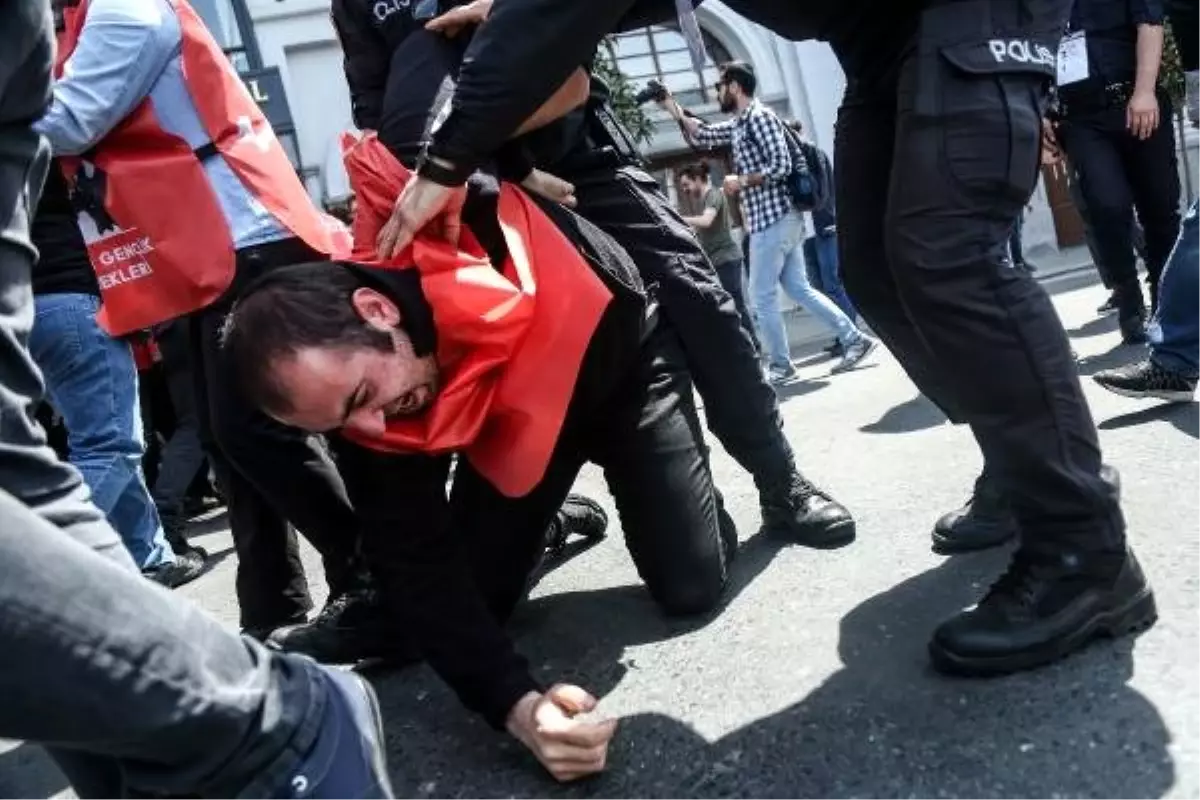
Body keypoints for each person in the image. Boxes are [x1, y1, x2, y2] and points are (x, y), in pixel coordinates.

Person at [384, 0, 1156, 679]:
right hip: (882, 30)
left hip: (969, 11)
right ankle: (1022, 469)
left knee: (949, 254)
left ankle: (1082, 548)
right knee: (877, 270)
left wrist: (449, 158)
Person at [222, 137, 737, 782]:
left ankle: (681, 483)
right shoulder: (360, 402)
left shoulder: (478, 223)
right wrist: (520, 710)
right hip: (517, 439)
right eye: (340, 425)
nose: (372, 426)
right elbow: (414, 562)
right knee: (476, 606)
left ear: (377, 309)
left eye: (361, 397)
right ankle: (545, 520)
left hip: (622, 373)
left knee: (691, 584)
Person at [0, 2, 394, 796]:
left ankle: (373, 580)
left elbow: (70, 121)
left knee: (257, 429)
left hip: (237, 227)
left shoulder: (123, 8)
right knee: (225, 437)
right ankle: (270, 611)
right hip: (189, 241)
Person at [335, 0, 860, 560]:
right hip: (458, 181)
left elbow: (569, 54)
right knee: (411, 340)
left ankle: (779, 480)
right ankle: (395, 572)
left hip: (579, 154)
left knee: (699, 296)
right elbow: (377, 109)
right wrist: (500, 170)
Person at [28, 159, 207, 586]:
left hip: (14, 311)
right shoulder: (32, 115)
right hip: (65, 295)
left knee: (97, 439)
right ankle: (36, 558)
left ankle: (151, 555)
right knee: (109, 445)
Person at [662, 61, 879, 383]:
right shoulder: (740, 123)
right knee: (798, 288)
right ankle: (854, 339)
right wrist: (671, 106)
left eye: (719, 85)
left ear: (734, 86)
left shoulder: (760, 118)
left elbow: (781, 165)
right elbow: (704, 133)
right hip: (776, 221)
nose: (716, 91)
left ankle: (780, 365)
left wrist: (741, 181)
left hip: (774, 219)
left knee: (761, 295)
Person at [1049, 0, 1181, 342]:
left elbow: (1150, 23)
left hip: (1139, 101)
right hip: (1081, 117)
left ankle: (1165, 302)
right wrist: (1040, 113)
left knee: (1161, 208)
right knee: (1105, 204)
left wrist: (1144, 91)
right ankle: (1128, 299)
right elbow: (1027, 51)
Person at [677, 161, 758, 348]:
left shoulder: (713, 195)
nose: (684, 190)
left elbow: (706, 221)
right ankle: (747, 344)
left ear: (698, 179)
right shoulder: (705, 201)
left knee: (736, 305)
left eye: (686, 185)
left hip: (726, 259)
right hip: (718, 260)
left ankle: (752, 345)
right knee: (730, 305)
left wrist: (679, 219)